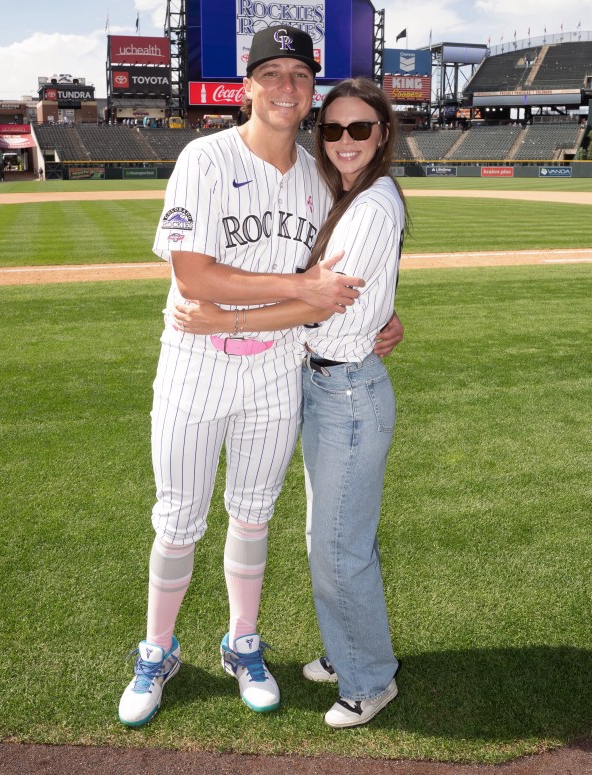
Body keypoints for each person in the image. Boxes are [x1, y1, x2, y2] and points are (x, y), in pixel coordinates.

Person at [118, 26, 403, 728]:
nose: (286, 87)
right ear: (245, 85)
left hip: (278, 372)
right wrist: (302, 288)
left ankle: (242, 643)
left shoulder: (318, 174)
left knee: (253, 515)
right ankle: (156, 649)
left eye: (300, 76)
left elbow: (339, 284)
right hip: (194, 367)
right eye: (270, 73)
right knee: (178, 519)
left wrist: (378, 318)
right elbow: (193, 275)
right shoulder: (203, 158)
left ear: (311, 90)